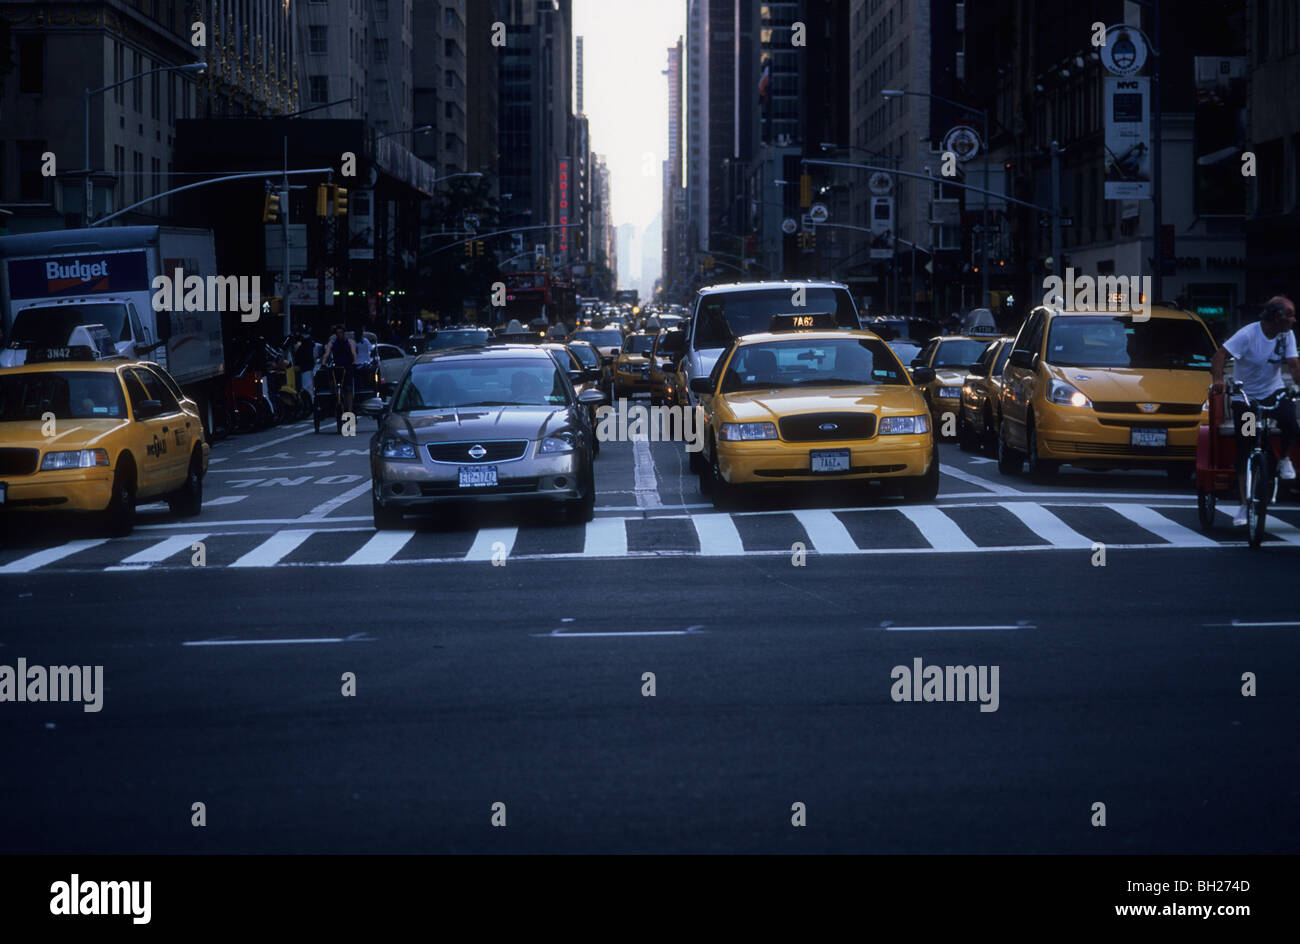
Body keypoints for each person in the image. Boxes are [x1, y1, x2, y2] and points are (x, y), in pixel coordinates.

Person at [1210, 296, 1300, 526]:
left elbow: (1293, 364)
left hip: (1274, 392)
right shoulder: (1248, 334)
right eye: (1290, 315)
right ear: (1277, 317)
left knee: (1290, 420)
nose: (1294, 320)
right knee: (1247, 443)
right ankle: (1244, 504)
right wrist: (1219, 380)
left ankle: (1285, 458)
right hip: (1247, 398)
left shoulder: (1286, 334)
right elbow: (1219, 355)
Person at [320, 324, 358, 418]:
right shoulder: (332, 343)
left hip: (347, 366)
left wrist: (355, 362)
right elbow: (327, 354)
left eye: (341, 333)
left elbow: (353, 353)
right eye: (337, 333)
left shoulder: (350, 342)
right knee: (335, 385)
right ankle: (338, 403)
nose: (339, 335)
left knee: (348, 388)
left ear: (344, 333)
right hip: (337, 368)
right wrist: (323, 364)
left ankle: (350, 410)